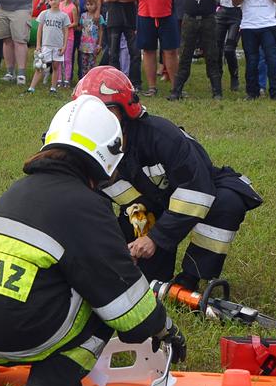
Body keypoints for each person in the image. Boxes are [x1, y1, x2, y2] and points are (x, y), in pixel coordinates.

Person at [0, 94, 185, 386]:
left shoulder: (16, 191)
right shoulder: (88, 207)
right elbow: (123, 300)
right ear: (107, 157)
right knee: (102, 309)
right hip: (18, 329)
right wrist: (163, 327)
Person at [74, 66, 262, 288]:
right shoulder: (91, 148)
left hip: (202, 191)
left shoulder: (161, 135)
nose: (97, 121)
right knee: (147, 278)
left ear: (126, 111)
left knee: (227, 203)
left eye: (106, 112)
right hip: (149, 204)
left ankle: (190, 279)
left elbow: (197, 192)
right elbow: (123, 203)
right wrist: (136, 240)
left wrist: (156, 238)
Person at [125, 0, 181, 97]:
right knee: (149, 51)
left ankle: (175, 88)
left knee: (170, 51)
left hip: (167, 14)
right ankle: (152, 87)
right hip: (145, 14)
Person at [168, 0, 223, 100]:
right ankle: (176, 91)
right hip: (190, 19)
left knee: (212, 54)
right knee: (185, 54)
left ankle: (217, 91)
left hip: (208, 19)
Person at [101, 0, 140, 90]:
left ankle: (135, 82)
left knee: (134, 51)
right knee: (113, 52)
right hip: (113, 18)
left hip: (130, 18)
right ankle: (114, 82)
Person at [57, 0, 100, 82]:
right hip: (69, 20)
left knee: (84, 49)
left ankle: (84, 77)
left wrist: (97, 12)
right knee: (69, 48)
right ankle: (65, 76)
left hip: (86, 20)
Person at [27, 0, 70, 94]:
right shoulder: (44, 14)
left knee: (56, 67)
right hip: (46, 45)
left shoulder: (64, 16)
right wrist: (38, 45)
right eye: (51, 0)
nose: (53, 1)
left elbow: (66, 32)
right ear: (48, 0)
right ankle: (31, 88)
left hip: (58, 45)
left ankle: (53, 88)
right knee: (41, 66)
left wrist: (64, 46)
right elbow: (39, 30)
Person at [216, 0, 241, 92]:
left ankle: (234, 76)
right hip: (221, 15)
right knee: (218, 48)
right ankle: (217, 77)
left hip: (236, 16)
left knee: (229, 48)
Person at [57, 0, 79, 87]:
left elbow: (76, 22)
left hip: (69, 36)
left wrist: (67, 26)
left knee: (67, 58)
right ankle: (58, 78)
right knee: (58, 57)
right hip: (58, 35)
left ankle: (67, 79)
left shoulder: (73, 8)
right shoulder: (60, 5)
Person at [78, 0, 103, 79]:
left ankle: (91, 79)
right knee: (84, 63)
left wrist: (99, 44)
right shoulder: (83, 16)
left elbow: (100, 30)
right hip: (84, 45)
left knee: (92, 64)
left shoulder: (99, 17)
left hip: (93, 45)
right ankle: (84, 80)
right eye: (88, 4)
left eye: (91, 4)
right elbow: (80, 28)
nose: (89, 6)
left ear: (96, 5)